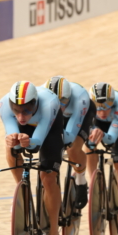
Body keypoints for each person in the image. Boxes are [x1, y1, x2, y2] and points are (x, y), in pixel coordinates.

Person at [0, 81, 64, 235]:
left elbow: (37, 143)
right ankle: (23, 190)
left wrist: (30, 142)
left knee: (48, 176)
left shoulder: (49, 103)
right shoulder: (4, 104)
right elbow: (12, 133)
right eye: (17, 110)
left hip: (49, 128)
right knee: (11, 147)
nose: (21, 116)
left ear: (35, 104)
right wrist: (15, 140)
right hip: (28, 129)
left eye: (27, 110)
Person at [86, 82, 118, 235]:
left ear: (113, 101)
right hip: (97, 125)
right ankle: (93, 182)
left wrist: (102, 134)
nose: (103, 111)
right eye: (98, 107)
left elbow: (111, 139)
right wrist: (94, 132)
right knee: (90, 144)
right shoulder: (87, 105)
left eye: (107, 106)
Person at [44, 76, 96, 209]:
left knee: (72, 148)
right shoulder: (42, 95)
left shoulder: (80, 98)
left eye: (63, 101)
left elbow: (70, 136)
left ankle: (81, 181)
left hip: (81, 115)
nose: (59, 105)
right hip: (58, 117)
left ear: (69, 96)